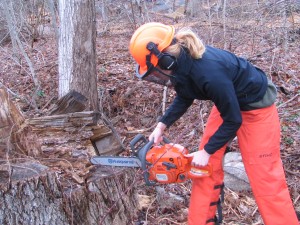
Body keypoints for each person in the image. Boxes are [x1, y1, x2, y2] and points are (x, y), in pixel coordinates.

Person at [129, 22, 299, 225]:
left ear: (165, 60)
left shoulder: (209, 72)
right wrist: (162, 125)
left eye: (156, 71)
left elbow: (234, 120)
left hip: (256, 108)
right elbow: (185, 95)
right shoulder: (181, 64)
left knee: (265, 176)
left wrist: (207, 150)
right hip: (226, 102)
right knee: (204, 167)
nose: (157, 75)